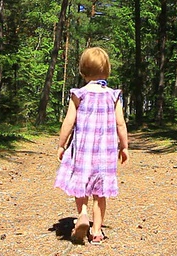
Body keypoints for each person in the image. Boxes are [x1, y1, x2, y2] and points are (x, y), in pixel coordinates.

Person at [54, 47, 129, 245]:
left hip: (82, 153)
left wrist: (61, 145)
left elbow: (69, 122)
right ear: (107, 71)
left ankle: (83, 214)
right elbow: (120, 123)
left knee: (81, 188)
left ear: (83, 72)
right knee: (100, 193)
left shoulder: (79, 94)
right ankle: (96, 231)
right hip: (105, 154)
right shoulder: (113, 95)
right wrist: (124, 146)